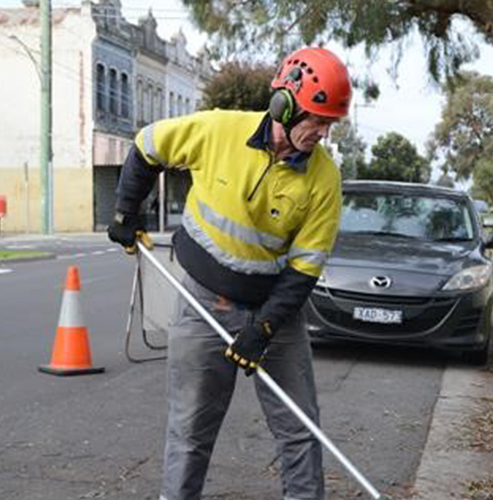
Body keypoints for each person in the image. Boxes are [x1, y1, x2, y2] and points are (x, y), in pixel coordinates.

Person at [107, 46, 351, 500]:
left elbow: (304, 269)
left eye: (330, 124)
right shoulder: (219, 130)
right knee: (190, 431)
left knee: (300, 431)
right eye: (316, 119)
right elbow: (147, 147)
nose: (322, 132)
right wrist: (125, 211)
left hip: (275, 313)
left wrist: (263, 328)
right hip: (204, 304)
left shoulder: (324, 179)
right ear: (284, 104)